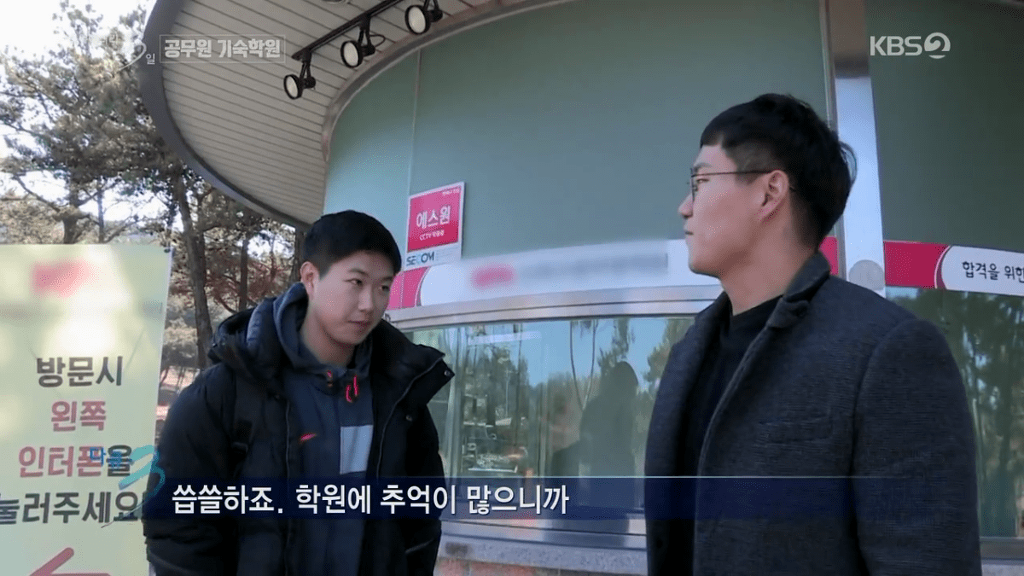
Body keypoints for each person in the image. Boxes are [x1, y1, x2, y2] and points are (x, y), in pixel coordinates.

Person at [644, 94, 980, 575]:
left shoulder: (888, 351)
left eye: (700, 183)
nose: (684, 208)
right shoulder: (687, 353)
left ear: (769, 193)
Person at [143, 210, 454, 576]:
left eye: (383, 287)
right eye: (356, 282)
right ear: (310, 278)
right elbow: (177, 525)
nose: (370, 303)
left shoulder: (400, 397)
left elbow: (420, 516)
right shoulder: (230, 390)